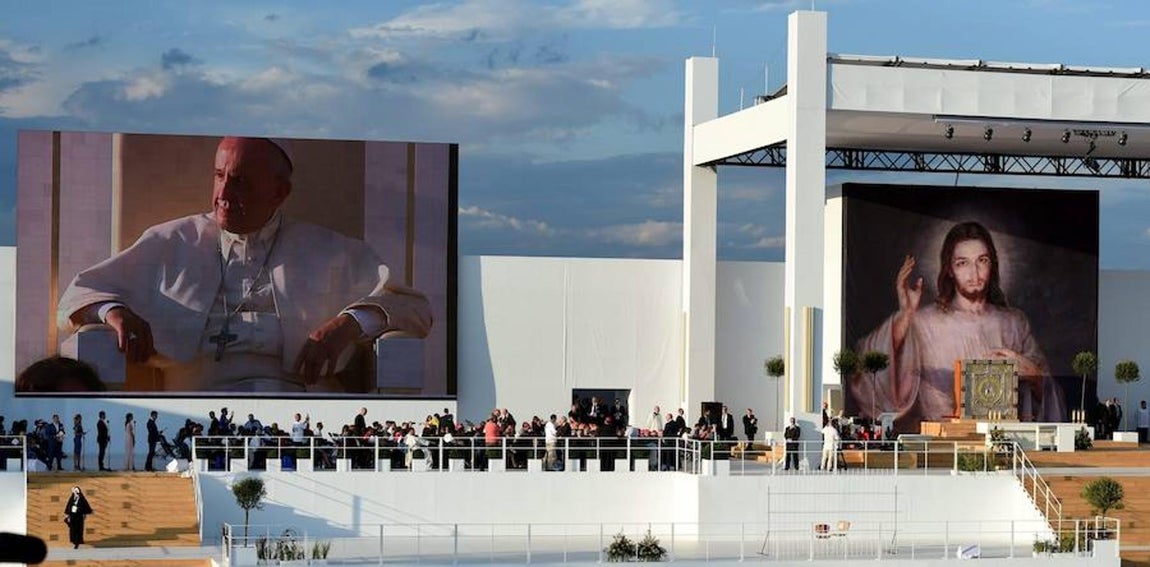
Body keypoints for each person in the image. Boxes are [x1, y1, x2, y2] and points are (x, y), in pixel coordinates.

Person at [56, 136, 432, 393]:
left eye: (240, 183)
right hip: (193, 404)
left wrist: (349, 324)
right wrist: (114, 311)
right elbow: (78, 294)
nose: (224, 195)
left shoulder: (330, 249)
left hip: (302, 403)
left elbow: (416, 309)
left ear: (279, 192)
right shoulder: (171, 241)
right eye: (219, 177)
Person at [852, 221, 1065, 431]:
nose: (974, 272)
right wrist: (906, 315)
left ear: (992, 264)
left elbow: (1049, 398)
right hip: (942, 441)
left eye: (982, 260)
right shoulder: (925, 322)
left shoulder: (1013, 323)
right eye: (962, 263)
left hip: (1002, 439)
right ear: (950, 269)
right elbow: (869, 372)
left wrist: (1033, 374)